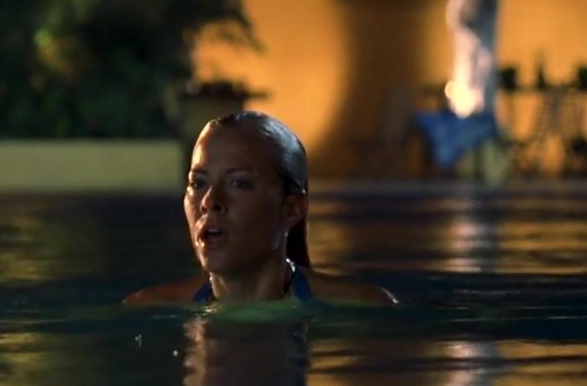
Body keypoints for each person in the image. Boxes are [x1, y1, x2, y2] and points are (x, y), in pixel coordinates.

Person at [125, 111, 396, 305]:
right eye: (198, 183)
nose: (209, 201)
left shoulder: (364, 308)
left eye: (239, 183)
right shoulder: (148, 309)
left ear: (291, 209)